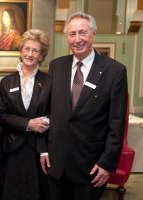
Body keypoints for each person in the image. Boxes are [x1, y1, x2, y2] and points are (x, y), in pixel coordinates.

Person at [41, 12, 128, 200]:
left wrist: (106, 164)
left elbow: (117, 123)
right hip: (56, 165)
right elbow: (46, 112)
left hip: (91, 168)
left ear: (93, 35)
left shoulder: (115, 71)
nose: (77, 39)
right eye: (72, 34)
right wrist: (44, 150)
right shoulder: (56, 66)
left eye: (83, 33)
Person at [0, 29, 51, 200]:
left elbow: (55, 114)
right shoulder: (6, 82)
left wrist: (44, 123)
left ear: (41, 56)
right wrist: (27, 124)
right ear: (20, 51)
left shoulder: (49, 82)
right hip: (12, 149)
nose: (30, 54)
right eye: (27, 49)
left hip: (37, 150)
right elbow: (0, 115)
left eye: (35, 50)